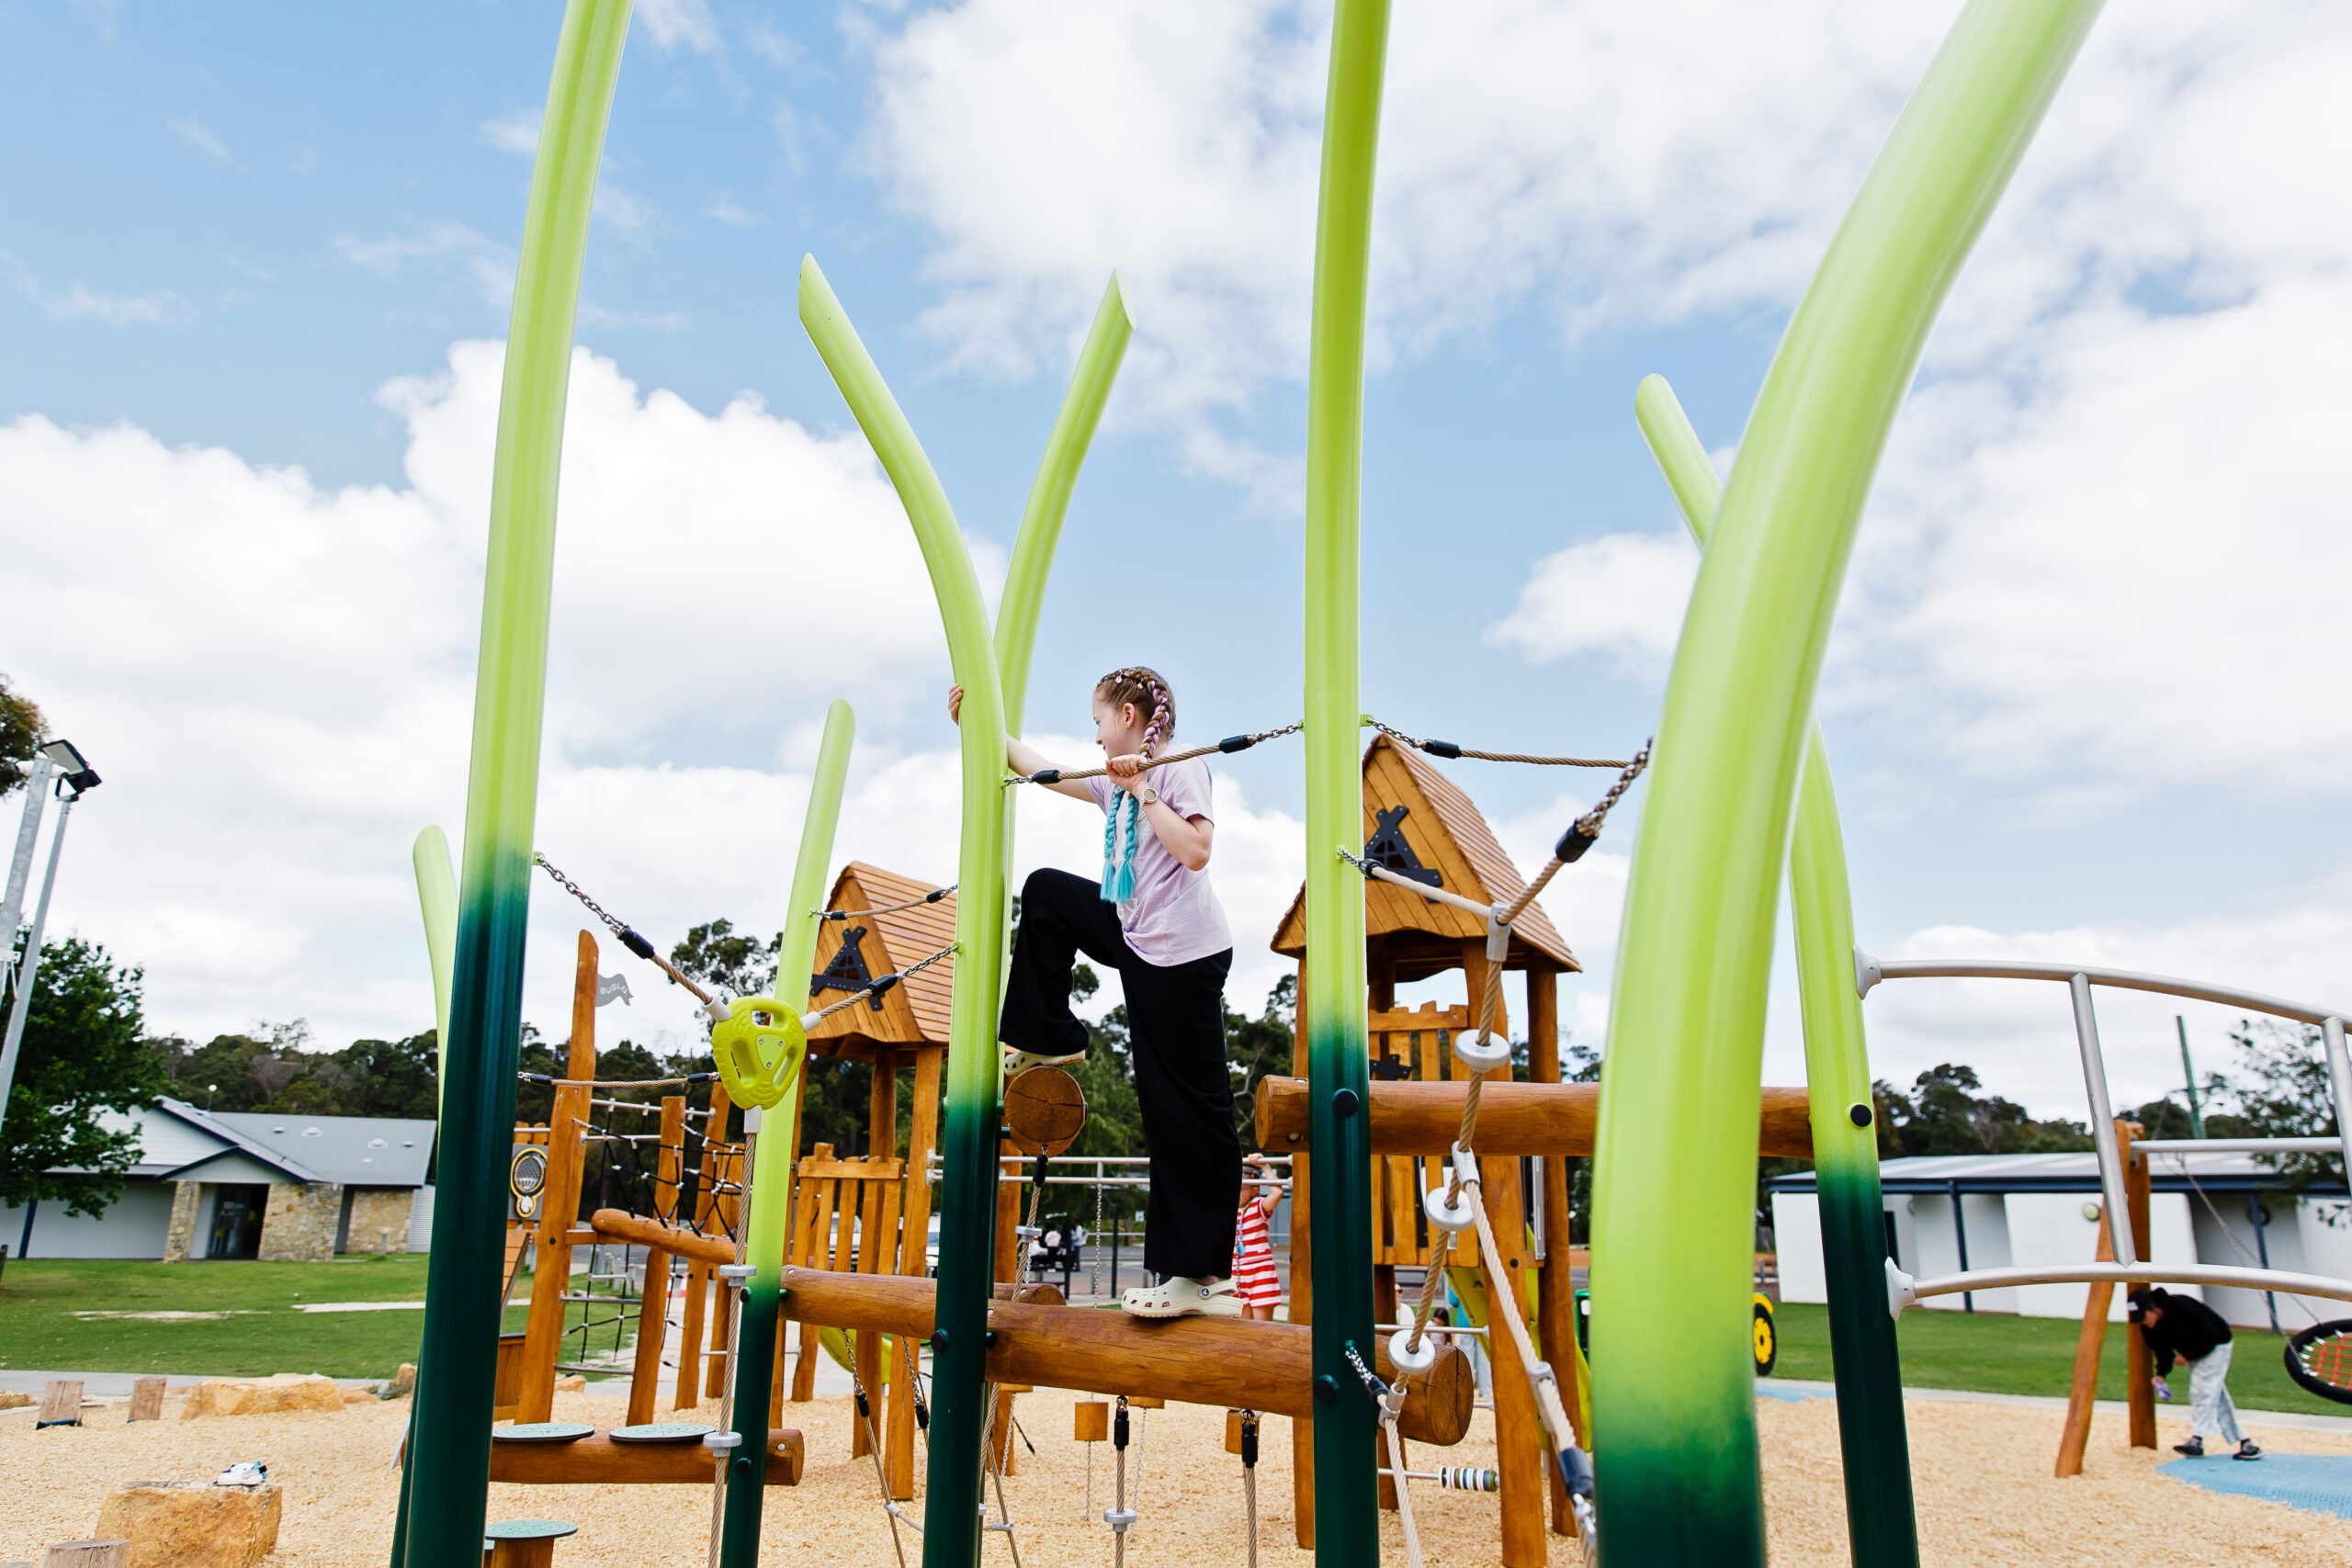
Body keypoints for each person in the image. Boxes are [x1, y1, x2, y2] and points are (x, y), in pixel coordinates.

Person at [949, 666, 1241, 1319]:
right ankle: (1048, 1035)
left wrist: (1143, 792)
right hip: (1138, 934)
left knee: (1183, 1107)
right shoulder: (1116, 775)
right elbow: (1041, 768)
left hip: (1182, 955)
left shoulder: (1175, 766)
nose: (1097, 732)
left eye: (1100, 720)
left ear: (1131, 715)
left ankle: (1203, 1277)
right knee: (1049, 891)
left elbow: (1196, 849)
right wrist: (981, 725)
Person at [2131, 1286, 2260, 1460]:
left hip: (2216, 1344)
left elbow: (2211, 1334)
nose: (2143, 1322)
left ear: (2153, 1308)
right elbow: (2162, 1351)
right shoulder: (2149, 1328)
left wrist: (2187, 1354)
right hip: (2194, 1351)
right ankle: (2246, 1442)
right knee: (2214, 1395)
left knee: (2202, 1390)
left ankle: (2197, 1440)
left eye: (2143, 1317)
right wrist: (2161, 1374)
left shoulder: (2182, 1306)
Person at [1233, 1156, 1283, 1321]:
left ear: (1254, 1190)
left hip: (1260, 1271)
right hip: (1236, 1273)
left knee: (1262, 1329)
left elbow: (1278, 1193)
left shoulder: (1259, 1206)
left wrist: (1265, 1166)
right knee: (1244, 1332)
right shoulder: (1227, 1211)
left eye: (1242, 1188)